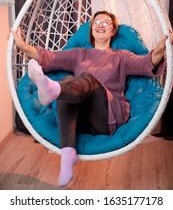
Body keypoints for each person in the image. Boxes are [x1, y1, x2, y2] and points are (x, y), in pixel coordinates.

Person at [11, 10, 172, 186]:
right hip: (81, 118)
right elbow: (49, 57)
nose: (100, 25)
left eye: (106, 23)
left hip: (108, 117)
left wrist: (161, 48)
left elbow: (146, 63)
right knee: (66, 82)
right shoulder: (79, 54)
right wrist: (23, 46)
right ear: (91, 30)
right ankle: (67, 154)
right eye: (96, 22)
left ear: (113, 31)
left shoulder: (121, 57)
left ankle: (53, 90)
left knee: (85, 79)